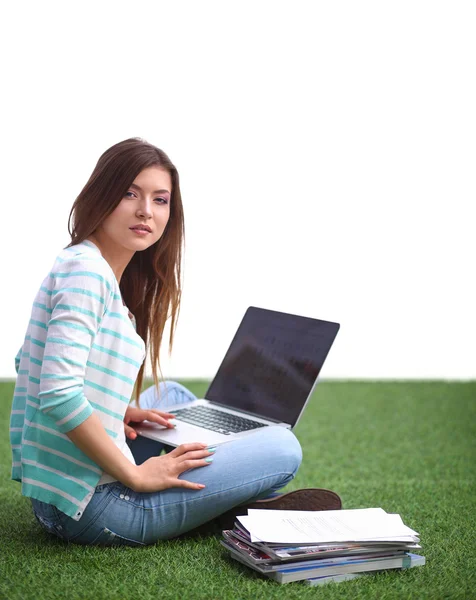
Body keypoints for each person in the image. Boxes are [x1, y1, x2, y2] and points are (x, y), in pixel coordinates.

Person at [9, 138, 341, 546]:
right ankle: (233, 506)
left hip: (58, 494)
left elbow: (29, 361)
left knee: (170, 395)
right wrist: (134, 475)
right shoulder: (88, 275)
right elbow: (58, 393)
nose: (146, 210)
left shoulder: (80, 261)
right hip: (95, 507)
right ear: (101, 194)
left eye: (160, 199)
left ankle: (224, 495)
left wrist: (117, 411)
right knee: (283, 446)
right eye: (130, 193)